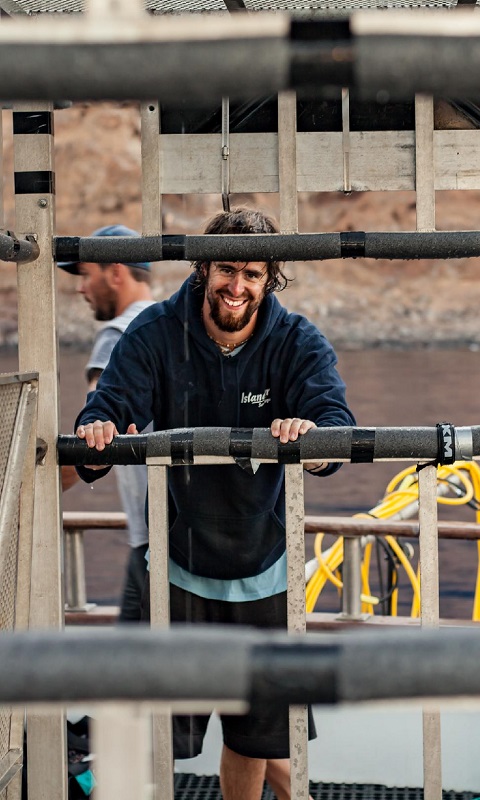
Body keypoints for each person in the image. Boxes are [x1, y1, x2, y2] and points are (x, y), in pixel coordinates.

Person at [73, 207, 356, 800]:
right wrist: (98, 437)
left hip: (265, 573)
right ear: (203, 267)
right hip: (175, 571)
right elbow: (104, 413)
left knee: (256, 740)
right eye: (227, 268)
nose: (238, 286)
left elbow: (336, 424)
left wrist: (313, 439)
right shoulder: (153, 331)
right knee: (156, 738)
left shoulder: (297, 340)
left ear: (270, 278)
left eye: (253, 274)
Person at [59, 224, 155, 622]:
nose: (81, 289)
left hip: (152, 538)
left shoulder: (116, 336)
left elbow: (94, 436)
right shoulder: (167, 327)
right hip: (178, 528)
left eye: (86, 274)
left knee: (131, 669)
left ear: (116, 272)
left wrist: (23, 493)